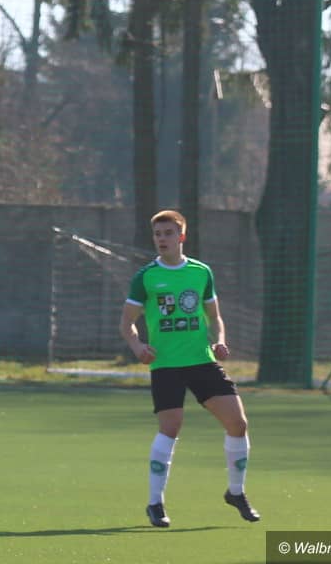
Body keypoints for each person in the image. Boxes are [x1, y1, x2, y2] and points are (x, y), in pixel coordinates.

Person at [118, 210, 260, 527]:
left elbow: (215, 317)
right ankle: (155, 503)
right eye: (158, 234)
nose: (162, 239)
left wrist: (220, 341)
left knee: (238, 424)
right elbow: (126, 324)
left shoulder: (200, 272)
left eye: (168, 233)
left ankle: (236, 492)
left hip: (202, 361)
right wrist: (138, 347)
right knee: (170, 428)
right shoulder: (145, 277)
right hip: (166, 365)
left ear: (181, 236)